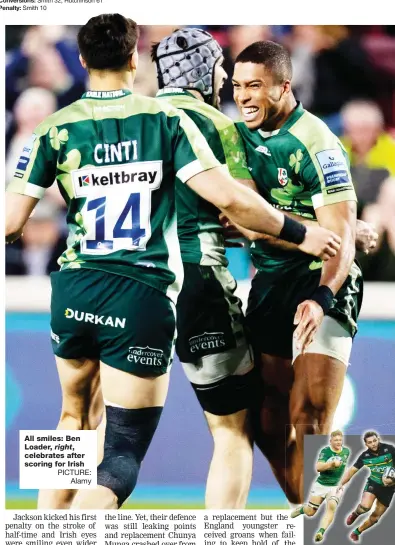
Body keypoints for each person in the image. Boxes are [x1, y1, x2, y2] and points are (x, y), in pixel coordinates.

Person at [5, 16, 339, 510]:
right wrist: (308, 233)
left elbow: (10, 223)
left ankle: (46, 527)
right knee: (218, 433)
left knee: (74, 417)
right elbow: (241, 209)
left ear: (82, 61)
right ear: (134, 58)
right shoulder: (182, 124)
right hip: (170, 287)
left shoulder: (53, 125)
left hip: (76, 288)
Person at [229, 40, 363, 505]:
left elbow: (339, 240)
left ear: (284, 87)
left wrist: (323, 295)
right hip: (269, 283)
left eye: (255, 86)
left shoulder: (318, 143)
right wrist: (305, 228)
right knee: (265, 420)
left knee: (309, 418)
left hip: (320, 279)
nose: (244, 96)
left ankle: (331, 524)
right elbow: (248, 222)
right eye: (237, 86)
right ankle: (312, 509)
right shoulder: (235, 137)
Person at [152, 27, 256, 509]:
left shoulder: (130, 119)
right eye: (221, 70)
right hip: (198, 279)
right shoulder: (218, 124)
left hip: (124, 285)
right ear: (207, 72)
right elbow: (246, 211)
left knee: (108, 435)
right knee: (232, 432)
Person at [290, 430, 350, 542]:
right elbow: (318, 467)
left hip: (335, 486)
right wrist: (331, 464)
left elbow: (345, 467)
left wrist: (342, 481)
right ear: (331, 440)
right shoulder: (326, 451)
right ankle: (303, 509)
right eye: (336, 440)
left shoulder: (346, 451)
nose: (338, 442)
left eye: (340, 440)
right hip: (321, 484)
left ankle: (320, 532)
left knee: (332, 506)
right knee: (311, 512)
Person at [339, 431, 395, 542]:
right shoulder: (365, 456)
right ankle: (356, 513)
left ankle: (357, 532)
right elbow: (352, 471)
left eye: (375, 440)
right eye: (370, 442)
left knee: (375, 517)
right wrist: (340, 484)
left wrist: (392, 479)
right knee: (365, 507)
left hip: (389, 488)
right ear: (366, 444)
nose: (373, 444)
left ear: (378, 439)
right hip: (374, 483)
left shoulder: (389, 449)